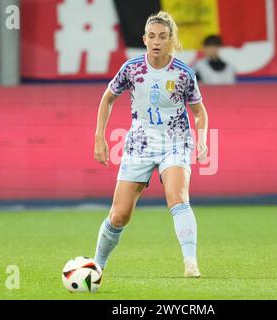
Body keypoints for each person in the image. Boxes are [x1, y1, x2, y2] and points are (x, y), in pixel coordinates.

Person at [93, 11, 209, 279]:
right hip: (139, 145)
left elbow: (200, 112)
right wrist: (100, 135)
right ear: (145, 39)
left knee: (177, 197)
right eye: (152, 36)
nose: (157, 41)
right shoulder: (132, 68)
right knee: (120, 215)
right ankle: (96, 266)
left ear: (171, 40)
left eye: (163, 37)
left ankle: (190, 262)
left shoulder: (183, 74)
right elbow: (108, 98)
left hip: (175, 142)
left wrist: (202, 141)